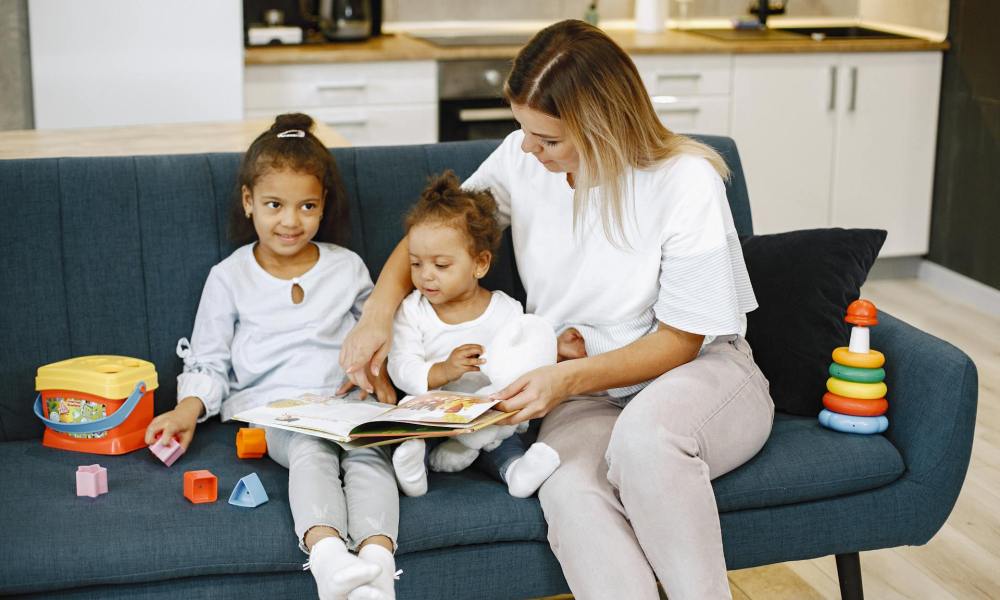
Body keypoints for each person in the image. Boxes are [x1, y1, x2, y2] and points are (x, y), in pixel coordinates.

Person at [339, 19, 774, 600]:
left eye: (547, 139)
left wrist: (562, 377)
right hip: (581, 393)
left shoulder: (684, 182)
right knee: (569, 494)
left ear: (602, 128)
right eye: (522, 130)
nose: (527, 149)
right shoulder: (524, 164)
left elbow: (682, 342)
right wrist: (378, 315)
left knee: (644, 443)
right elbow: (435, 237)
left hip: (697, 375)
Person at [144, 114, 399, 600]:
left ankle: (378, 565)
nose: (290, 220)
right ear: (249, 203)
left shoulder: (347, 269)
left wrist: (381, 374)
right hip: (276, 411)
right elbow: (209, 361)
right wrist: (185, 411)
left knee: (371, 456)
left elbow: (379, 338)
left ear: (324, 205)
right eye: (274, 205)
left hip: (346, 404)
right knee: (310, 451)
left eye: (307, 205)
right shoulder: (229, 276)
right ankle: (327, 559)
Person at [386, 171, 561, 499]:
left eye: (440, 265)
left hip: (486, 418)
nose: (426, 276)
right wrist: (443, 371)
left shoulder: (506, 310)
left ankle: (516, 471)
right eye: (416, 264)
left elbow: (526, 354)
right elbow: (401, 366)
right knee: (410, 428)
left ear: (479, 264)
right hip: (434, 415)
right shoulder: (412, 311)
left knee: (502, 440)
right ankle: (413, 468)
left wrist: (554, 347)